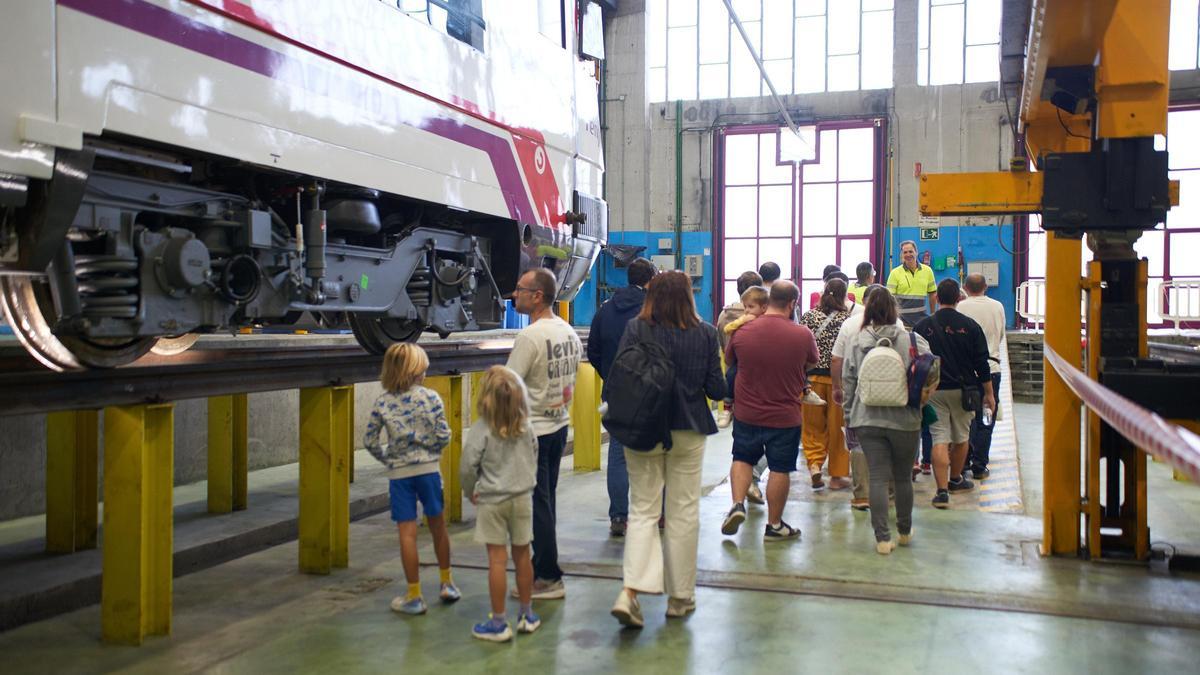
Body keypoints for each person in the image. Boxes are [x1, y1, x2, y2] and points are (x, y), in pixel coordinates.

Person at [607, 271, 726, 628]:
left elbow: (620, 373)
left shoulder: (636, 329)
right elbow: (716, 389)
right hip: (688, 428)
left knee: (643, 510)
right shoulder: (706, 333)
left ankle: (630, 593)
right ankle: (680, 597)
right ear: (689, 296)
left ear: (651, 295)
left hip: (643, 427)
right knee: (683, 512)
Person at [363, 342, 459, 615]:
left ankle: (414, 596)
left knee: (407, 533)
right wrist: (432, 453)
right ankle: (447, 583)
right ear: (417, 371)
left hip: (400, 475)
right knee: (438, 526)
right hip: (429, 472)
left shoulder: (383, 402)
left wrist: (389, 459)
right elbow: (444, 435)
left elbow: (370, 440)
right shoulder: (431, 398)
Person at [720, 281, 818, 542]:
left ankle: (737, 504)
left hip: (747, 412)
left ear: (769, 299)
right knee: (779, 468)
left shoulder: (742, 331)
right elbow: (811, 362)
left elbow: (730, 361)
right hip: (784, 415)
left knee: (742, 457)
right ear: (793, 303)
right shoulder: (802, 334)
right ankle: (774, 525)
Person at [506, 267, 582, 599]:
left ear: (537, 296)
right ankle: (541, 570)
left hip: (534, 432)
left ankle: (548, 577)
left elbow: (508, 385)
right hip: (558, 426)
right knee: (545, 502)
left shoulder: (530, 337)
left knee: (536, 505)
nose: (514, 294)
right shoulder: (568, 331)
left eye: (520, 289)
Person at [842, 287, 932, 554]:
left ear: (868, 310)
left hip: (867, 418)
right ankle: (904, 531)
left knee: (878, 478)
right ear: (895, 310)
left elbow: (848, 381)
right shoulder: (913, 340)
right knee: (903, 478)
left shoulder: (857, 341)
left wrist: (848, 416)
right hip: (906, 419)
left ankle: (882, 539)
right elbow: (931, 374)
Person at [462, 366, 540, 642]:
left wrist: (471, 491)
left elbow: (467, 466)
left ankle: (498, 623)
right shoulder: (526, 425)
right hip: (522, 498)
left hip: (492, 500)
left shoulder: (482, 428)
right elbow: (534, 453)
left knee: (497, 560)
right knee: (523, 556)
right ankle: (527, 615)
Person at [588, 257, 657, 537]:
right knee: (655, 455)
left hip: (616, 392)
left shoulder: (605, 309)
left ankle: (619, 516)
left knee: (618, 455)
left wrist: (609, 375)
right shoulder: (653, 310)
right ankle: (655, 514)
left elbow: (593, 350)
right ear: (650, 281)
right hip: (649, 391)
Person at [915, 279, 996, 509]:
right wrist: (989, 394)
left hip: (934, 390)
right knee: (961, 437)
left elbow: (915, 360)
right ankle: (955, 480)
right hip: (964, 391)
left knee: (939, 438)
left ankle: (941, 492)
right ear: (959, 299)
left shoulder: (923, 326)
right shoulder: (970, 326)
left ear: (937, 298)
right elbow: (982, 364)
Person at [831, 284, 903, 509]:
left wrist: (839, 390)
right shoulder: (900, 328)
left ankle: (862, 494)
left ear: (865, 303)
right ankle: (889, 493)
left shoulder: (851, 326)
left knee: (859, 444)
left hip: (860, 397)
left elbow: (839, 361)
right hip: (893, 396)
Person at [799, 278, 853, 491]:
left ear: (823, 293)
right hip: (838, 381)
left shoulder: (808, 316)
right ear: (844, 296)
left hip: (811, 380)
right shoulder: (847, 320)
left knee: (812, 427)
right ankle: (837, 476)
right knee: (838, 429)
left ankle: (814, 464)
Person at [956, 273, 1006, 480]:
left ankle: (963, 461)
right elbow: (1001, 334)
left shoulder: (960, 307)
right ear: (986, 287)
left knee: (966, 417)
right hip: (991, 369)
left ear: (966, 288)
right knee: (986, 417)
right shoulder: (997, 307)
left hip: (966, 372)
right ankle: (980, 465)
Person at [716, 270, 765, 431]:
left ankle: (727, 407)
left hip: (738, 380)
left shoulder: (724, 315)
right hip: (763, 380)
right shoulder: (768, 315)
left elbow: (723, 346)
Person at [886, 241, 937, 328]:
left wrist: (933, 314)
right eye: (905, 252)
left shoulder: (928, 271)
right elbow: (889, 299)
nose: (908, 255)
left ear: (916, 252)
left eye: (910, 251)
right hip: (902, 324)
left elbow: (932, 294)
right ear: (902, 254)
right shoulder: (894, 273)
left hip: (921, 323)